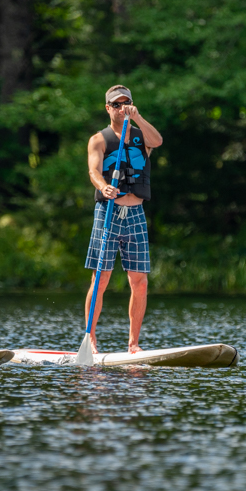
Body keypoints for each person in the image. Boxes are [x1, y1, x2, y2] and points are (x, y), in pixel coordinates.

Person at [84, 85, 163, 354]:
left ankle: (133, 344)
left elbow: (158, 141)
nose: (121, 108)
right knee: (101, 278)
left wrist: (137, 118)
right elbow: (93, 171)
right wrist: (103, 185)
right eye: (116, 105)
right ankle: (90, 339)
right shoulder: (99, 139)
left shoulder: (142, 136)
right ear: (108, 108)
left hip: (136, 214)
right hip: (109, 212)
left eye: (125, 102)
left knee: (139, 281)